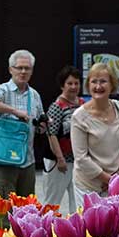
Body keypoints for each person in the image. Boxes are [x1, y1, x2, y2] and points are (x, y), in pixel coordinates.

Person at [71, 63, 119, 201]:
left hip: (117, 181)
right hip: (88, 186)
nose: (98, 86)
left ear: (112, 84)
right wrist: (108, 179)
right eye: (94, 82)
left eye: (103, 81)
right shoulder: (79, 117)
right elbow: (81, 158)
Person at [0, 49, 45, 197]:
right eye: (19, 68)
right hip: (3, 159)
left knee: (26, 207)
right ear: (11, 69)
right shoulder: (3, 89)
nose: (23, 72)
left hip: (27, 160)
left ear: (32, 71)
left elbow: (40, 119)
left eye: (27, 68)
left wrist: (43, 125)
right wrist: (14, 111)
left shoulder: (34, 94)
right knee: (4, 207)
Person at [43, 66, 84, 211]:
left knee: (79, 201)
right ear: (62, 85)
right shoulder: (56, 106)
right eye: (69, 83)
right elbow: (51, 133)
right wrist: (60, 159)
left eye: (76, 83)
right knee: (52, 202)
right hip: (58, 163)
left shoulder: (83, 104)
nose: (73, 87)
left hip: (78, 161)